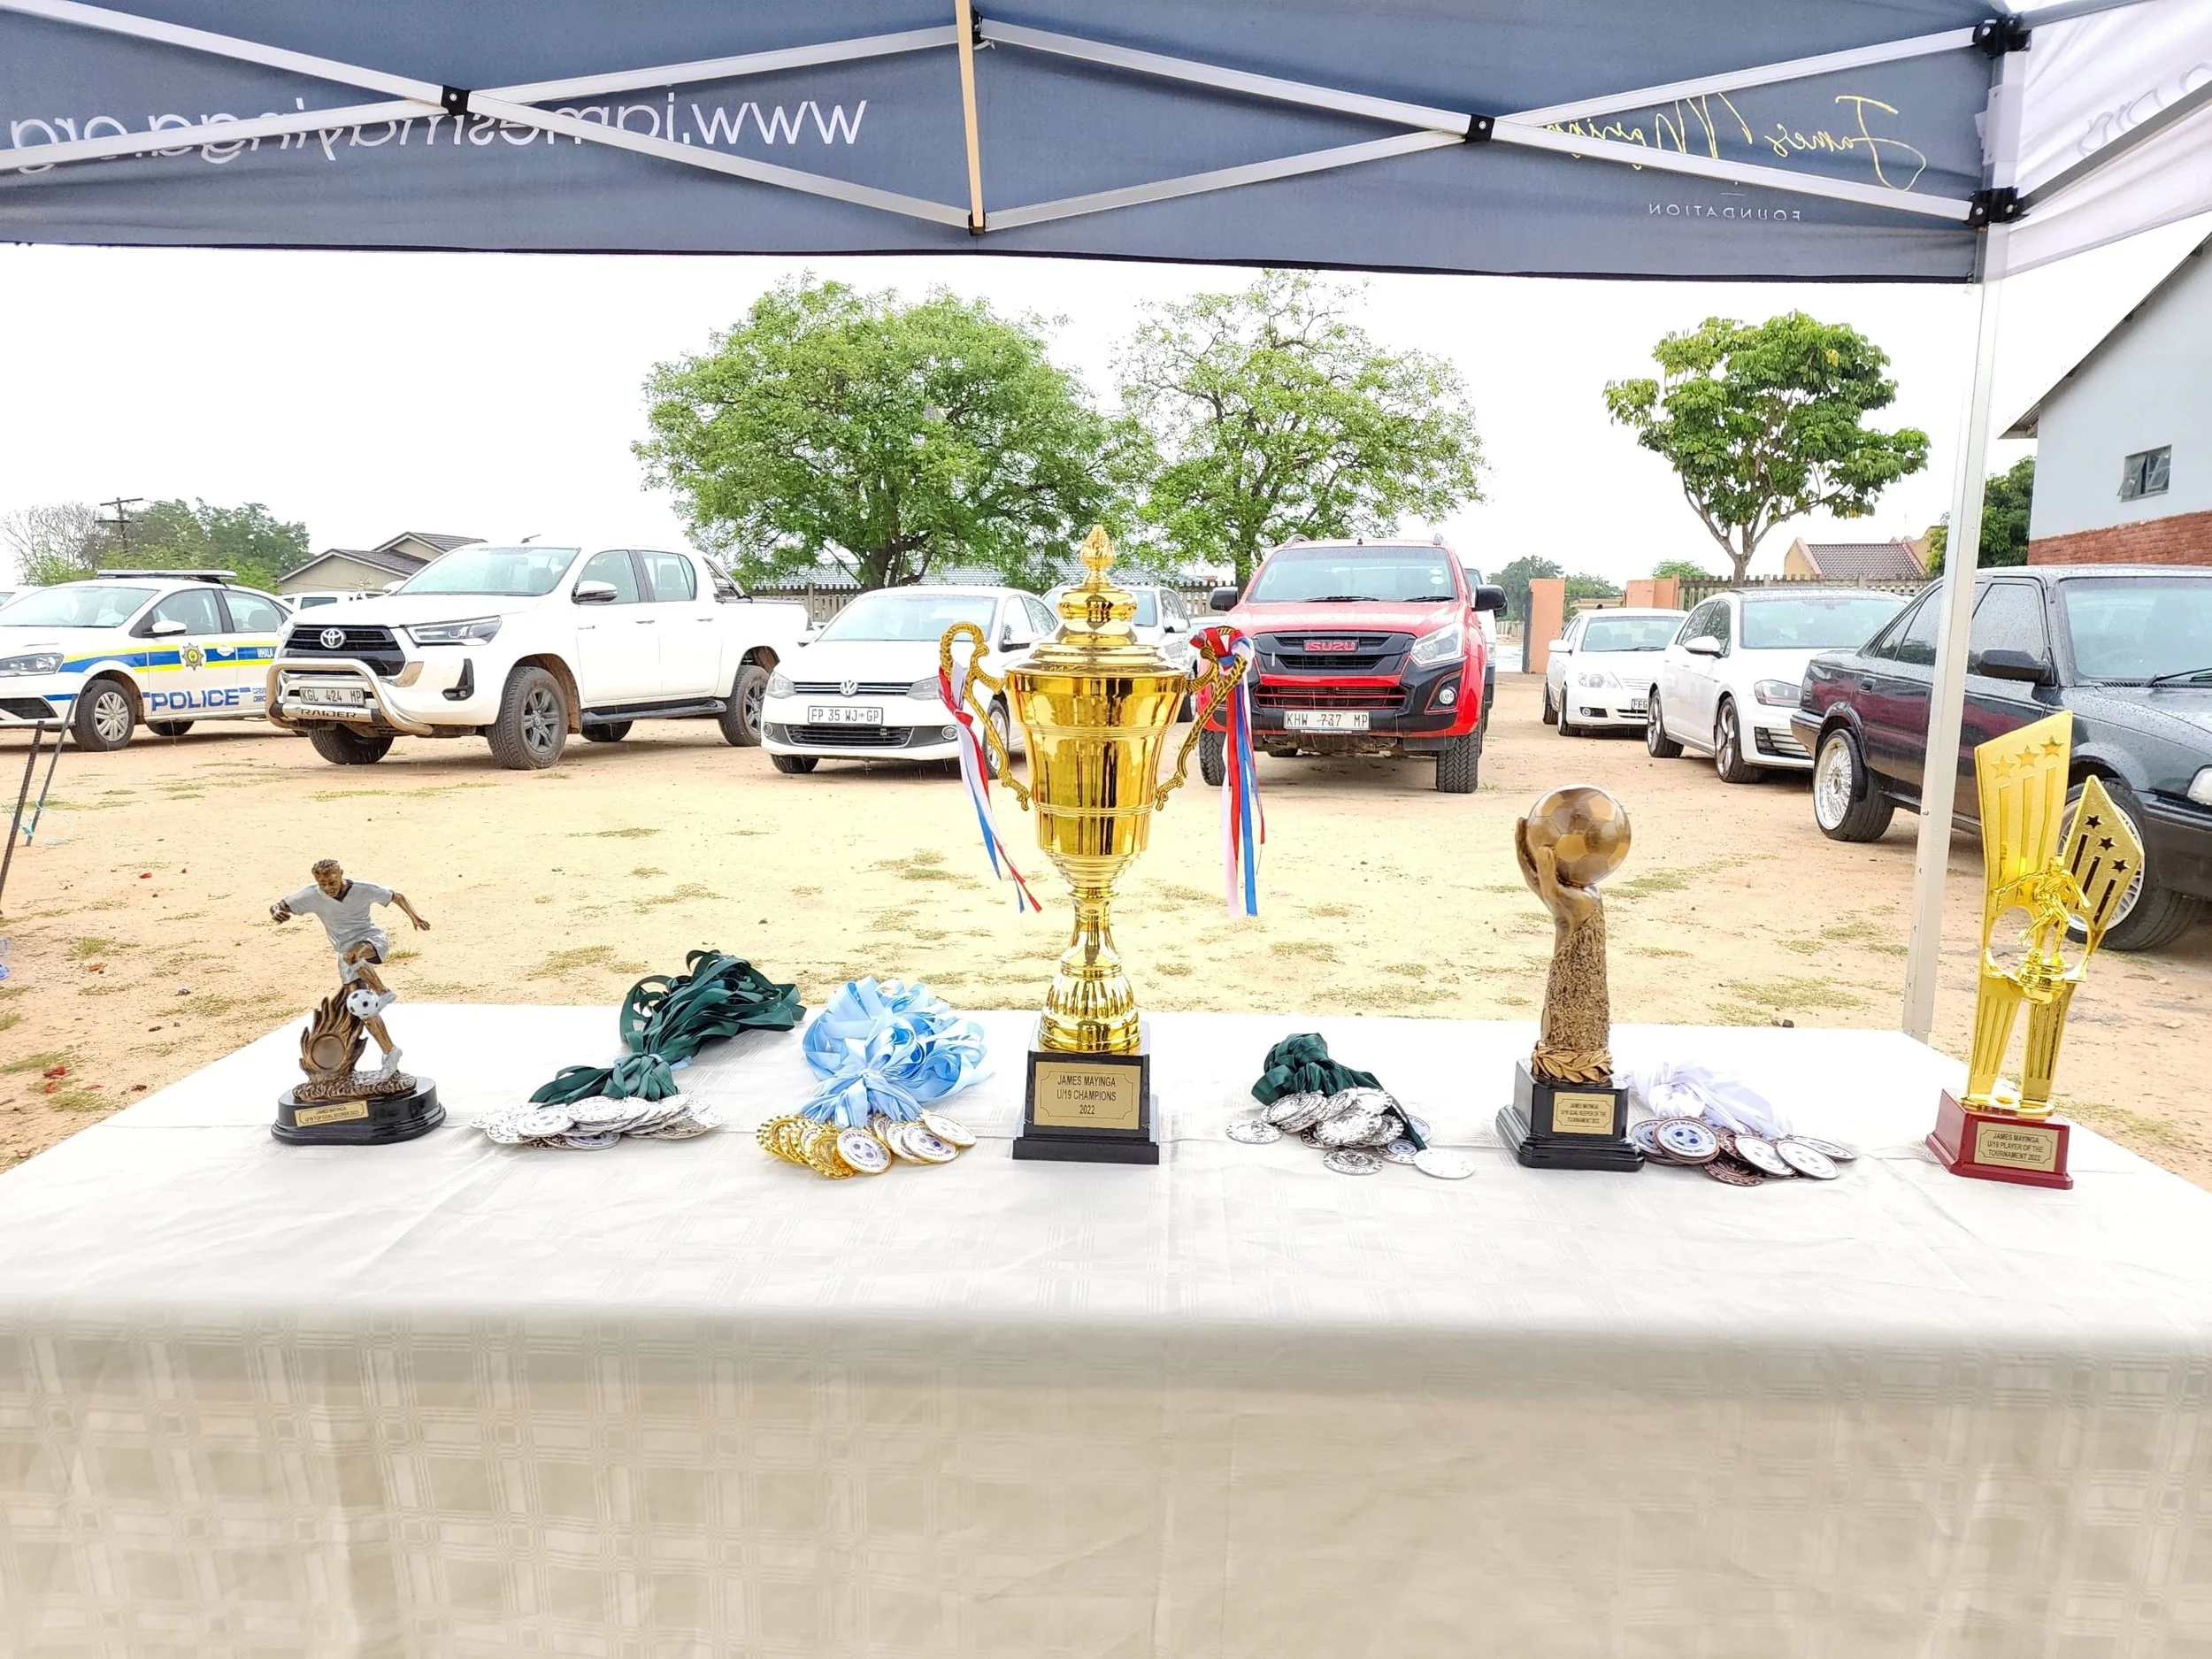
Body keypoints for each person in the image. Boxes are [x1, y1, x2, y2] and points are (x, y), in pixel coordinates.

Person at [272, 858, 429, 1078]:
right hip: (346, 956)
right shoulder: (313, 895)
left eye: (332, 882)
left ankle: (383, 992)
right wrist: (276, 911)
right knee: (364, 1010)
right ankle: (390, 1053)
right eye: (323, 883)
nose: (328, 888)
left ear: (341, 874)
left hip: (371, 940)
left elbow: (397, 896)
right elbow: (281, 904)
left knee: (351, 955)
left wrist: (415, 917)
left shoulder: (363, 890)